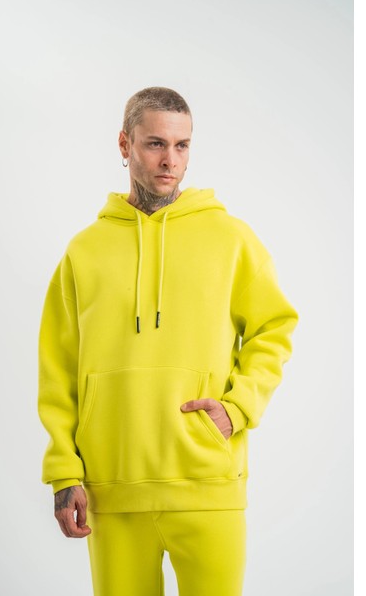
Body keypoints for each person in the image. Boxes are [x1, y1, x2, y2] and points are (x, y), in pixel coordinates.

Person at [38, 86, 298, 596]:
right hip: (113, 488)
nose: (170, 161)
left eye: (182, 146)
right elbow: (58, 370)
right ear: (125, 144)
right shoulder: (84, 252)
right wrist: (64, 472)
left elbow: (274, 327)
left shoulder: (230, 238)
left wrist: (238, 408)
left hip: (208, 481)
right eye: (156, 143)